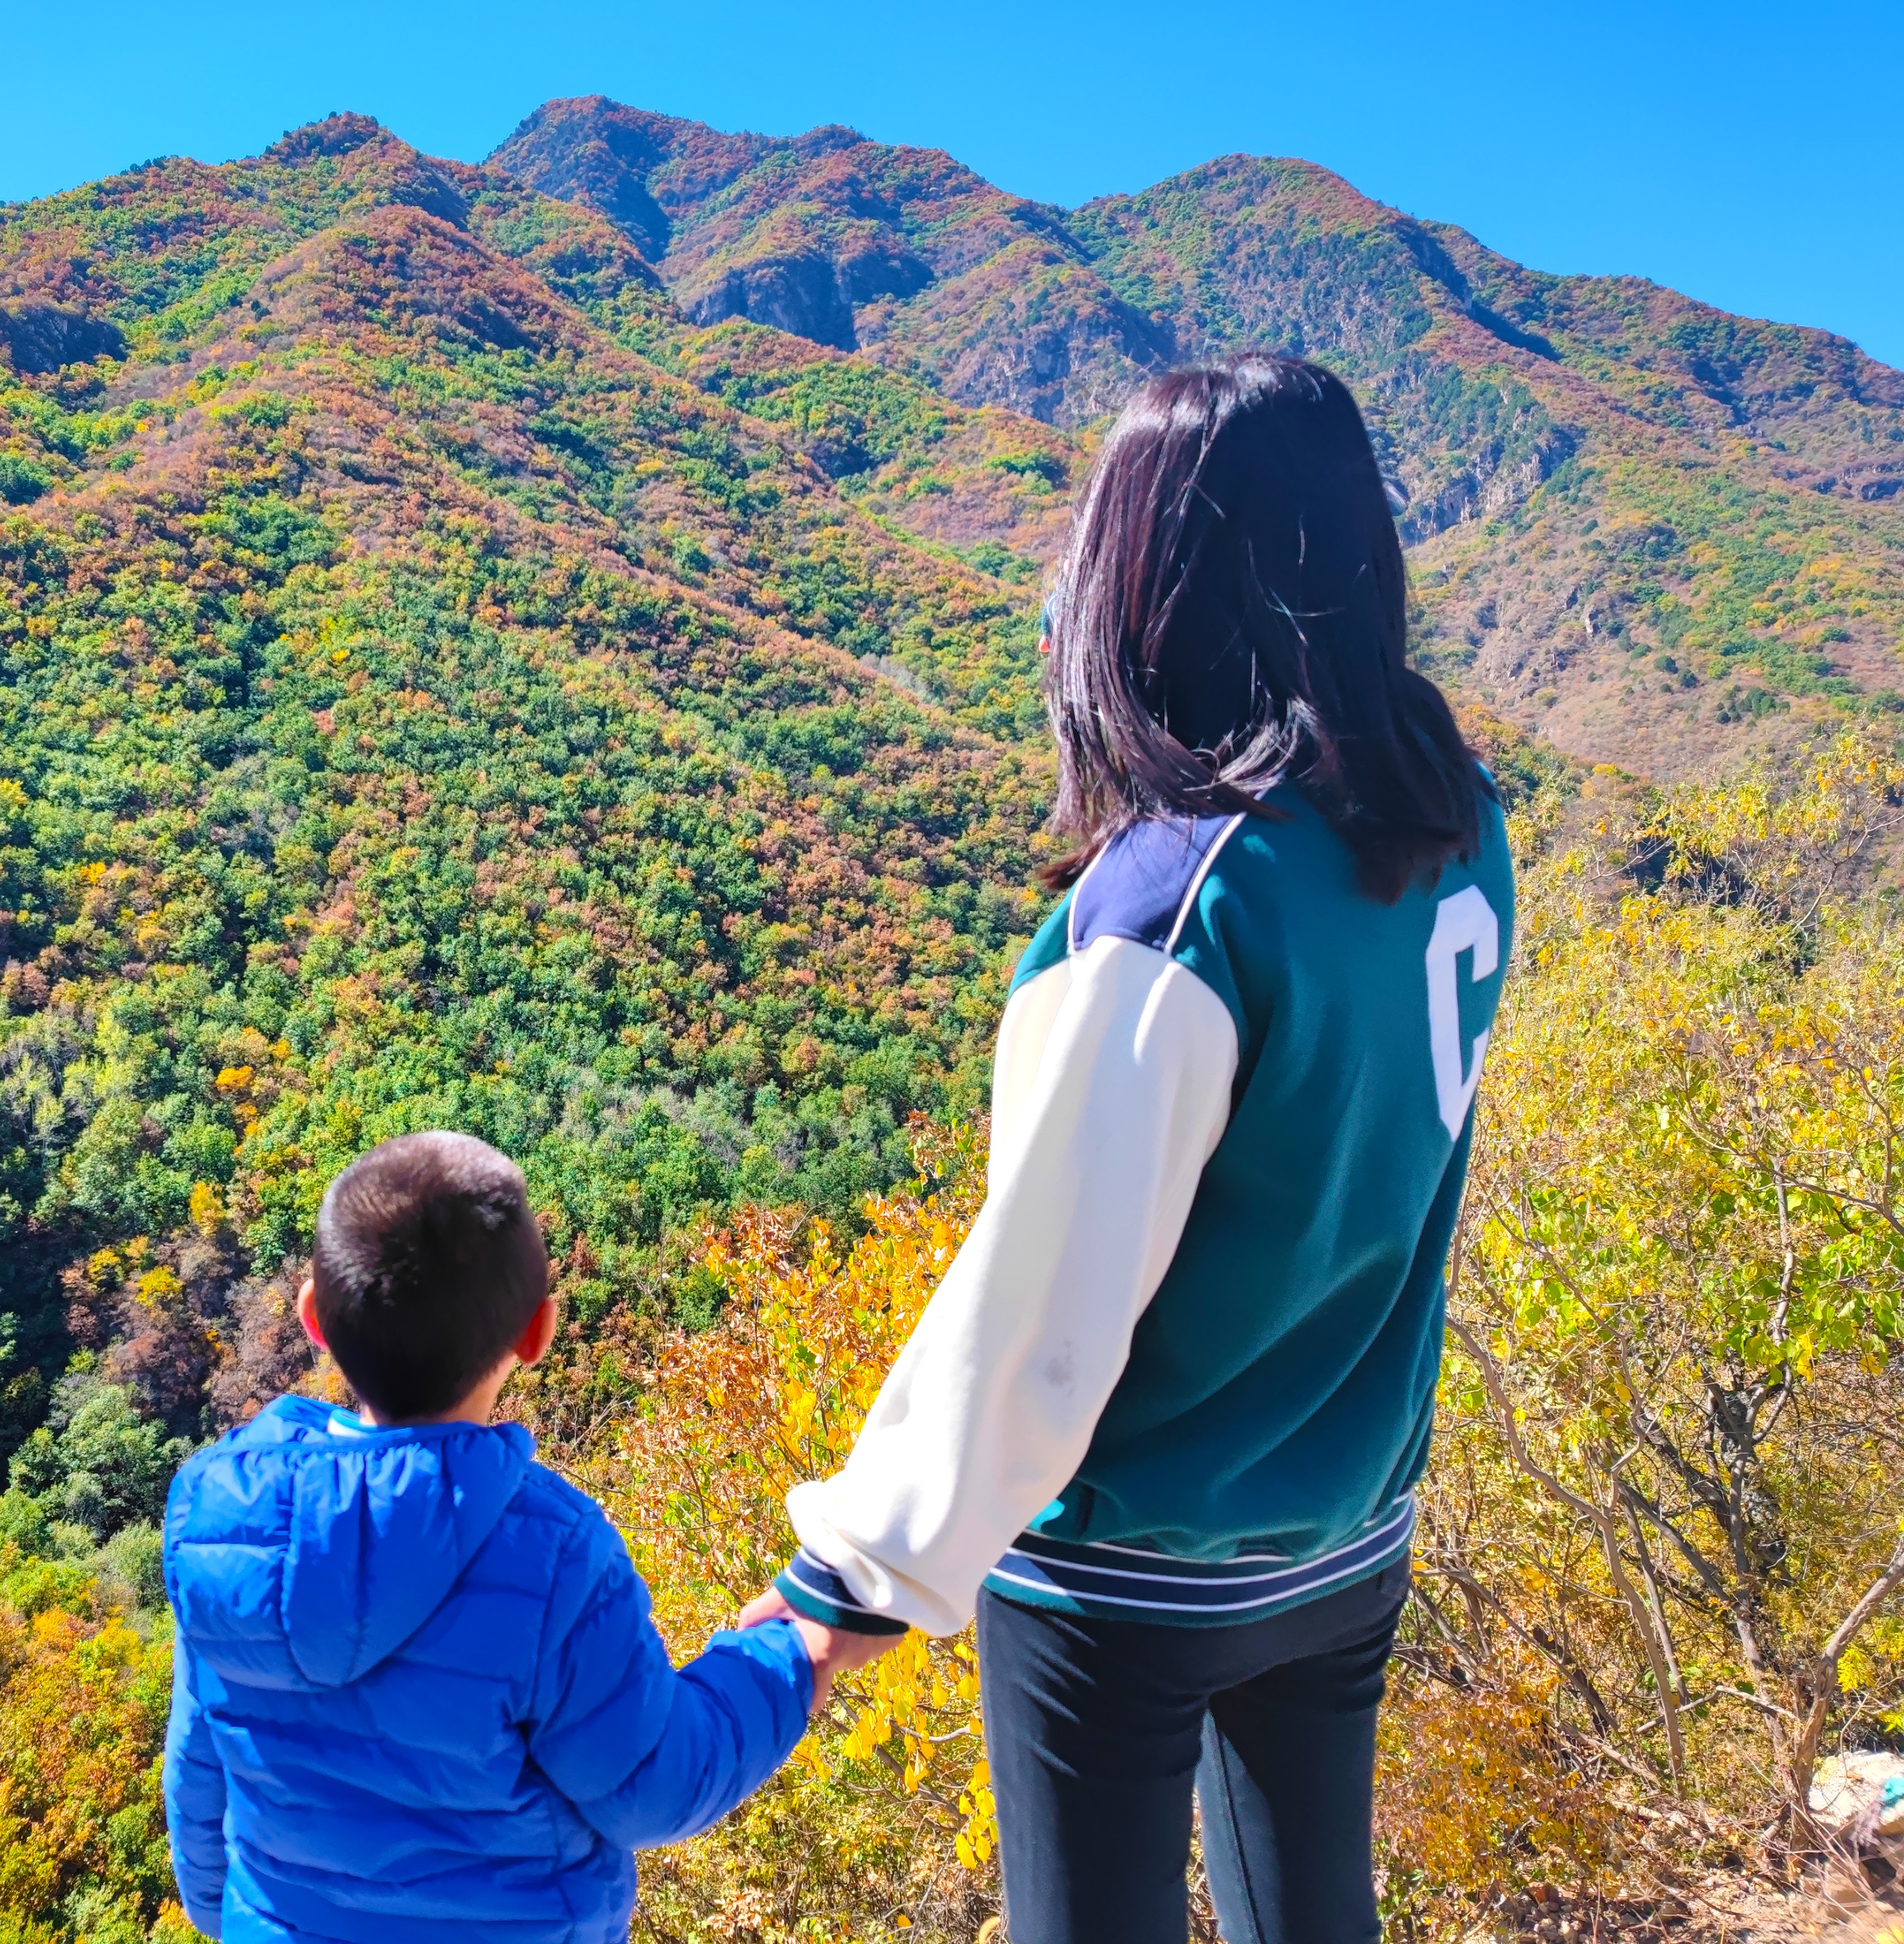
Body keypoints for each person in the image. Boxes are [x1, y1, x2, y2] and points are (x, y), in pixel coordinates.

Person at [743, 353, 1514, 1944]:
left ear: (1144, 584)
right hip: (1348, 1521)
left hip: (1131, 1574)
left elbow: (1036, 1320)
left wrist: (849, 1584)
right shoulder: (1449, 821)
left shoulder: (1172, 918)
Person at [163, 1129, 877, 1944]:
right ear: (536, 1334)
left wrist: (236, 1920)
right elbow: (654, 1785)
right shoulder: (551, 1557)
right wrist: (796, 1655)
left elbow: (200, 1774)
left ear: (311, 1316)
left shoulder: (220, 1527)